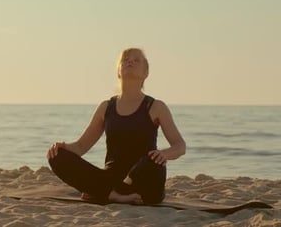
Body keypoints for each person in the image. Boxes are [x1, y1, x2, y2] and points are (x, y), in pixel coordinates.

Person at [46, 48, 186, 204]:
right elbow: (81, 146)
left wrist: (165, 154)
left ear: (146, 73)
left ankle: (107, 192)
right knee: (57, 156)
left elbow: (180, 146)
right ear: (118, 71)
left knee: (153, 159)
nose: (130, 61)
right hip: (110, 178)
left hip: (143, 179)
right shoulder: (106, 107)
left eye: (136, 59)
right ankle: (115, 194)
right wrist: (63, 147)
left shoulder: (156, 107)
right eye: (125, 59)